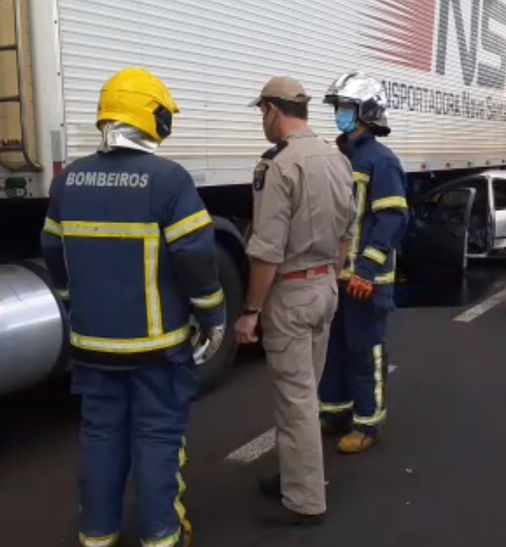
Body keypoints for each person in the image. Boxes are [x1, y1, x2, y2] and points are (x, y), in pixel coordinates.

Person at [41, 67, 225, 547]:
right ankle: (161, 535)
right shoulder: (168, 180)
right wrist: (212, 318)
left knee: (101, 437)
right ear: (151, 117)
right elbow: (195, 257)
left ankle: (97, 535)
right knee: (157, 439)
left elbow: (52, 251)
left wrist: (71, 302)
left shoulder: (69, 180)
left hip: (92, 344)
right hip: (157, 349)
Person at [234, 76, 356, 525]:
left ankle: (305, 499)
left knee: (296, 399)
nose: (262, 123)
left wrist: (250, 312)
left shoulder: (278, 166)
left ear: (271, 110)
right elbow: (347, 229)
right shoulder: (336, 158)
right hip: (325, 286)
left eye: (261, 114)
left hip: (292, 292)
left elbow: (266, 250)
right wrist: (331, 275)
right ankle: (293, 476)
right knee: (307, 391)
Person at [319, 72, 409, 454]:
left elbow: (392, 220)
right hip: (337, 277)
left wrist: (367, 271)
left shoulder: (380, 161)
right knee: (334, 348)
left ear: (366, 111)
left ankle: (368, 424)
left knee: (364, 349)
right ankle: (336, 411)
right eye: (339, 107)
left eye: (346, 107)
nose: (340, 114)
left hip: (364, 280)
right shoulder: (338, 155)